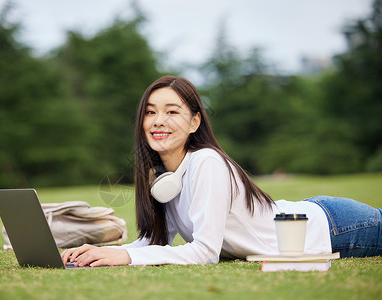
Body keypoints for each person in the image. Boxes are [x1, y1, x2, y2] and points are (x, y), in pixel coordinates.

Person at [61, 75, 382, 267]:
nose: (158, 121)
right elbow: (155, 242)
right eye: (150, 112)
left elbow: (205, 252)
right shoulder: (164, 177)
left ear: (194, 121)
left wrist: (128, 259)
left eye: (172, 111)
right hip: (311, 216)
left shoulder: (207, 163)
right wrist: (102, 253)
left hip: (333, 227)